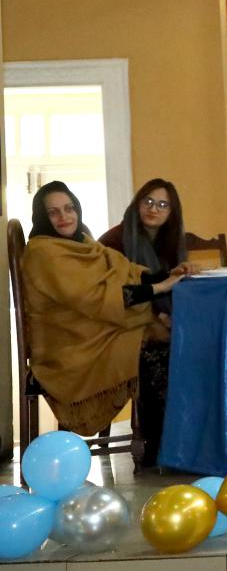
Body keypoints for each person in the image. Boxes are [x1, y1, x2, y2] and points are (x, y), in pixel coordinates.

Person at [21, 181, 187, 463]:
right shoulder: (42, 252)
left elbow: (124, 272)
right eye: (54, 212)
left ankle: (167, 444)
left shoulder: (83, 243)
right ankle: (159, 449)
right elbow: (93, 298)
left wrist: (169, 275)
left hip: (96, 333)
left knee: (167, 343)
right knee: (158, 351)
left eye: (69, 208)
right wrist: (160, 287)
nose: (64, 217)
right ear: (41, 217)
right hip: (71, 347)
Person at [99, 178, 189, 282]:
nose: (153, 209)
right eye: (148, 201)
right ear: (138, 204)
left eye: (162, 205)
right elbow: (117, 283)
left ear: (171, 212)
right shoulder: (113, 240)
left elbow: (168, 277)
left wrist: (182, 270)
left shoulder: (169, 239)